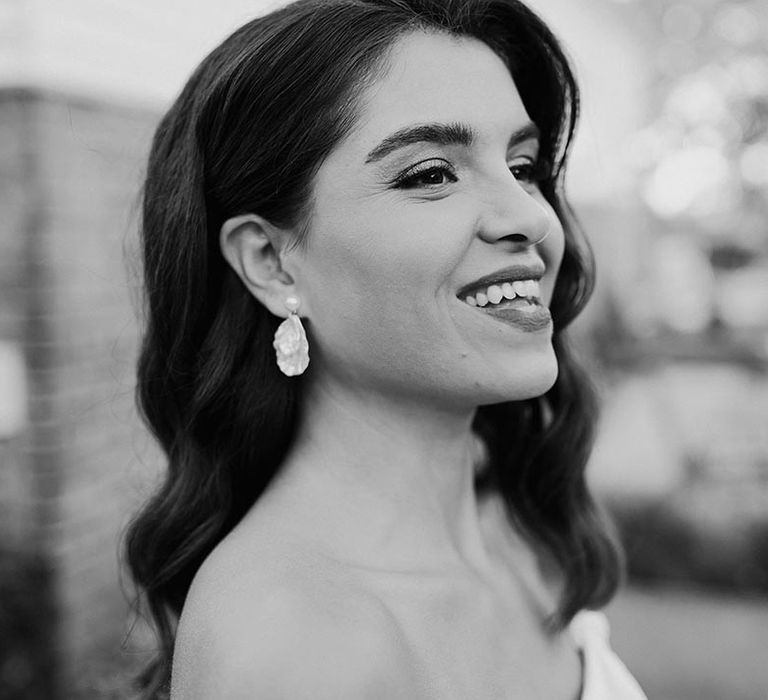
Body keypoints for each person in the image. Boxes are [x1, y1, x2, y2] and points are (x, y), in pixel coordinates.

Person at [125, 0, 648, 697]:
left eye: (522, 166)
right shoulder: (291, 649)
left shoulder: (526, 525)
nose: (531, 215)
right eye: (432, 173)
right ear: (273, 263)